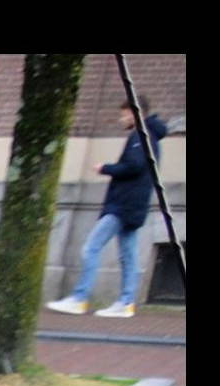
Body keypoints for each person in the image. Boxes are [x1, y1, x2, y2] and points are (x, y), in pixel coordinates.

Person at [51, 101, 170, 318]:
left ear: (135, 113)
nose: (121, 119)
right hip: (134, 204)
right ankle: (126, 302)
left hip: (123, 205)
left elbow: (134, 166)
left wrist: (105, 168)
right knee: (128, 255)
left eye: (124, 115)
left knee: (91, 247)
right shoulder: (150, 136)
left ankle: (79, 298)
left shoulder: (140, 136)